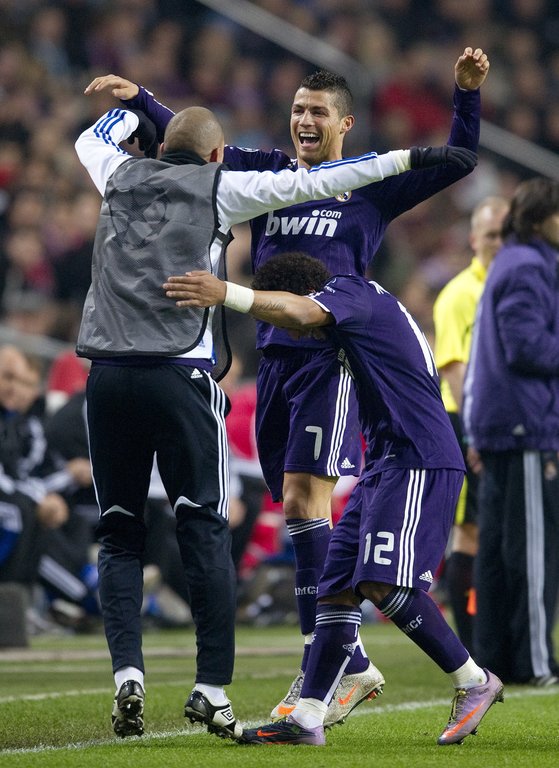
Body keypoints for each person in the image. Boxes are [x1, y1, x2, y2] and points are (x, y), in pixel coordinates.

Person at [85, 45, 489, 724]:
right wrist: (141, 101)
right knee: (296, 508)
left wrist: (466, 96)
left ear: (345, 124)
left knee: (307, 498)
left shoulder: (367, 183)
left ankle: (325, 664)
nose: (304, 120)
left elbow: (458, 159)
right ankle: (346, 662)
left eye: (318, 112)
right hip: (273, 356)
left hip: (329, 355)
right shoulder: (266, 171)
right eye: (298, 109)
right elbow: (195, 146)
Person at [163, 252, 504, 747]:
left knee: (383, 583)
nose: (296, 336)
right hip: (386, 461)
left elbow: (302, 313)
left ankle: (474, 680)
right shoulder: (357, 309)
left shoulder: (352, 292)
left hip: (419, 457)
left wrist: (228, 294)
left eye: (292, 326)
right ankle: (307, 718)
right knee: (336, 589)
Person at [463, 178, 559, 686]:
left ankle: (497, 658)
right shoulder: (528, 266)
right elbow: (527, 346)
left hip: (503, 423)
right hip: (524, 424)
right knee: (534, 552)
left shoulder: (514, 262)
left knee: (499, 551)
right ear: (542, 220)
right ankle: (537, 663)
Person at [432, 196, 509, 651]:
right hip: (466, 420)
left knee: (499, 531)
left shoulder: (515, 286)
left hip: (506, 424)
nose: (500, 242)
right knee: (471, 530)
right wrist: (475, 432)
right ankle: (472, 643)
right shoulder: (461, 294)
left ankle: (496, 635)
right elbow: (454, 368)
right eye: (492, 234)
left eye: (507, 234)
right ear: (474, 239)